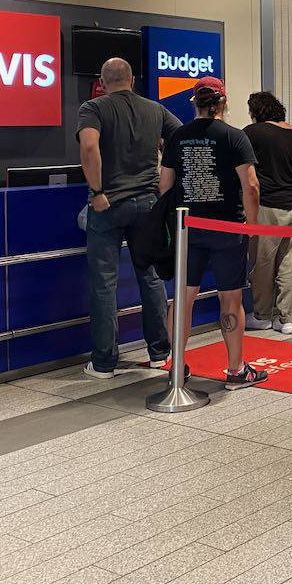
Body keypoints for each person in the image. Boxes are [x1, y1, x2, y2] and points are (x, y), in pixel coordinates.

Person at [159, 76, 268, 391]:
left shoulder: (178, 136)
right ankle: (235, 370)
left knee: (183, 298)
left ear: (194, 102)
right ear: (223, 102)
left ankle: (176, 368)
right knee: (230, 299)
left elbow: (164, 186)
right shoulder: (235, 137)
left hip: (188, 230)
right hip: (228, 230)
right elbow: (251, 186)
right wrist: (252, 225)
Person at [77, 58, 180, 379]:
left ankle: (105, 362)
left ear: (102, 81)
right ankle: (159, 352)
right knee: (150, 278)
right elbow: (181, 139)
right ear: (132, 79)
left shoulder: (93, 108)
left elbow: (89, 148)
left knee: (104, 284)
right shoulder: (155, 109)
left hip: (108, 206)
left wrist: (97, 192)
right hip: (148, 204)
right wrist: (165, 178)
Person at [242, 91, 292, 335]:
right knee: (289, 263)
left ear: (257, 111)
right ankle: (287, 319)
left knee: (263, 263)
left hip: (270, 207)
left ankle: (262, 315)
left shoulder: (253, 132)